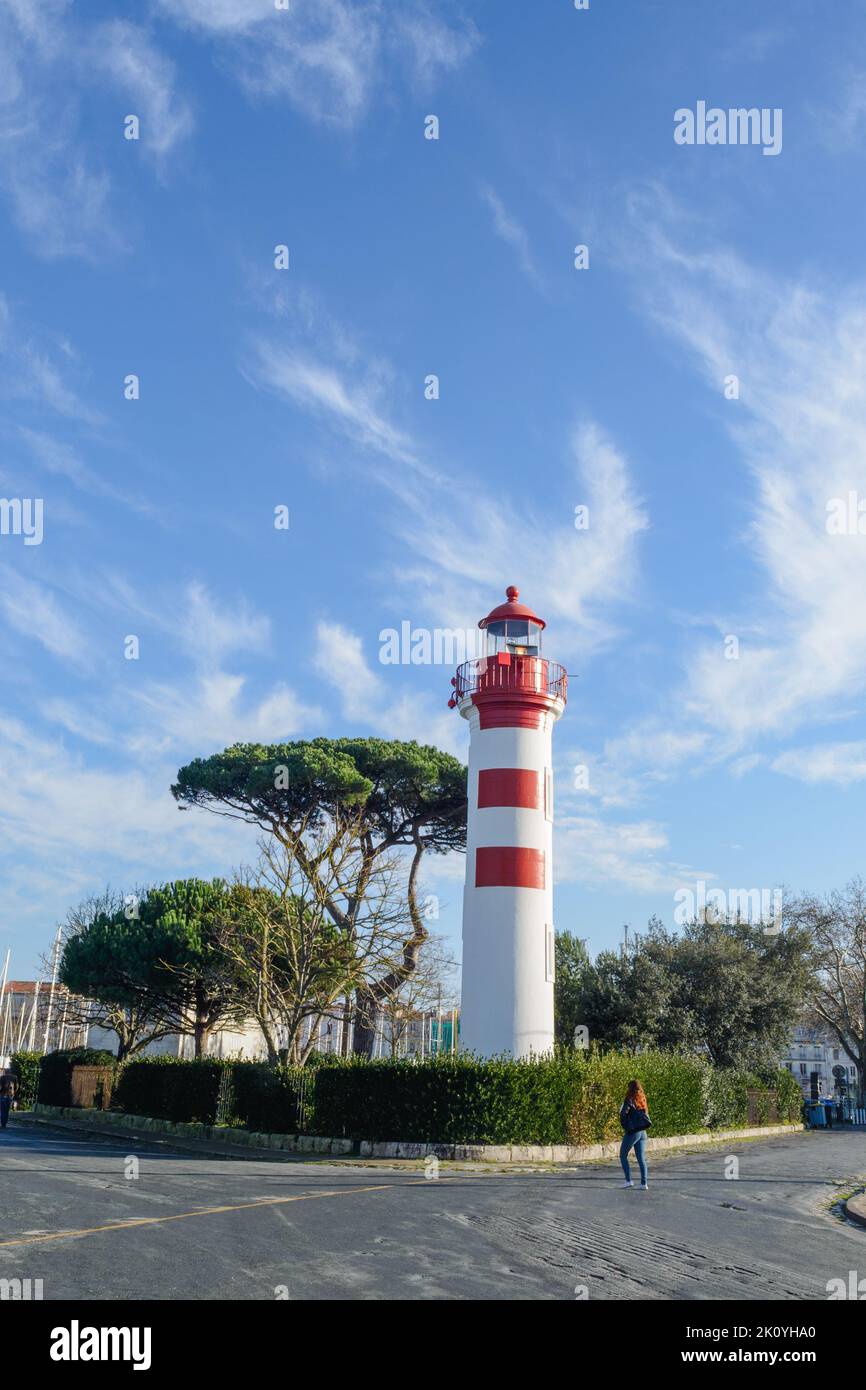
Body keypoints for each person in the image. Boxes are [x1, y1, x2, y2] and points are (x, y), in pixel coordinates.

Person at [619, 1078, 651, 1189]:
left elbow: (624, 1114)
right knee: (641, 1158)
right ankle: (644, 1184)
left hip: (633, 1132)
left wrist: (626, 1127)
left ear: (630, 1088)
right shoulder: (642, 1098)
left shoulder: (629, 1099)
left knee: (623, 1155)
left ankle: (628, 1181)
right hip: (643, 1132)